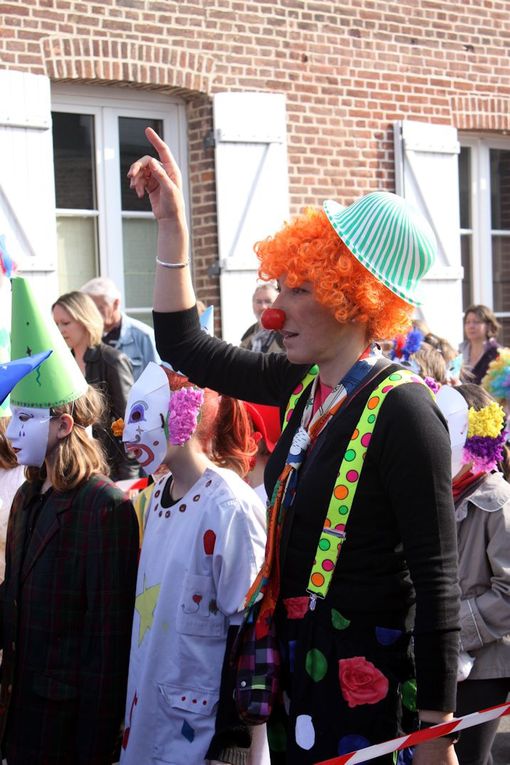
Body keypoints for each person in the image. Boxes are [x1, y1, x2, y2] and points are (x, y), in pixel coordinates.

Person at [127, 128, 460, 765]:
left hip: (369, 687)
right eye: (280, 287)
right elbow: (183, 345)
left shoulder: (407, 411)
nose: (275, 310)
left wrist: (437, 731)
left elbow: (436, 580)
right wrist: (171, 226)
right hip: (294, 672)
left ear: (356, 297)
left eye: (298, 290)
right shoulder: (300, 384)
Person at [0, 276, 139, 765]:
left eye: (23, 418)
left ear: (62, 425)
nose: (12, 431)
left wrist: (95, 749)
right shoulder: (25, 498)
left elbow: (107, 644)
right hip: (19, 717)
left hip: (66, 727)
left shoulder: (103, 507)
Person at [118, 362, 267, 765]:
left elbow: (250, 633)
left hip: (203, 734)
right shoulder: (159, 495)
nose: (129, 434)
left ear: (181, 416)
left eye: (139, 416)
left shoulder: (230, 506)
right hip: (148, 713)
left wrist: (233, 744)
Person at [437, 383, 510, 765]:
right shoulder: (441, 496)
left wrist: (450, 629)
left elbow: (509, 594)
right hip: (444, 657)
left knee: (469, 758)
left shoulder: (497, 502)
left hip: (485, 667)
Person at [52, 290, 139, 481]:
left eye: (65, 323)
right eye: (56, 324)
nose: (59, 330)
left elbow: (131, 423)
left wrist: (128, 479)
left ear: (85, 320)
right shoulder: (61, 364)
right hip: (73, 471)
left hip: (109, 472)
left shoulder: (112, 360)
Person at [80, 276, 160, 380]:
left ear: (116, 304)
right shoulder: (86, 338)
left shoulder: (143, 336)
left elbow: (159, 382)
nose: (94, 314)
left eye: (99, 308)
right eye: (90, 309)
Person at [460, 305, 501, 385]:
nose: (471, 326)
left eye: (476, 322)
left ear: (488, 326)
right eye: (467, 322)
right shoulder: (459, 352)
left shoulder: (497, 353)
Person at [240, 282, 285, 353]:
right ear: (252, 305)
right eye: (258, 302)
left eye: (268, 301)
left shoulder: (286, 334)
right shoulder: (247, 336)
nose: (263, 307)